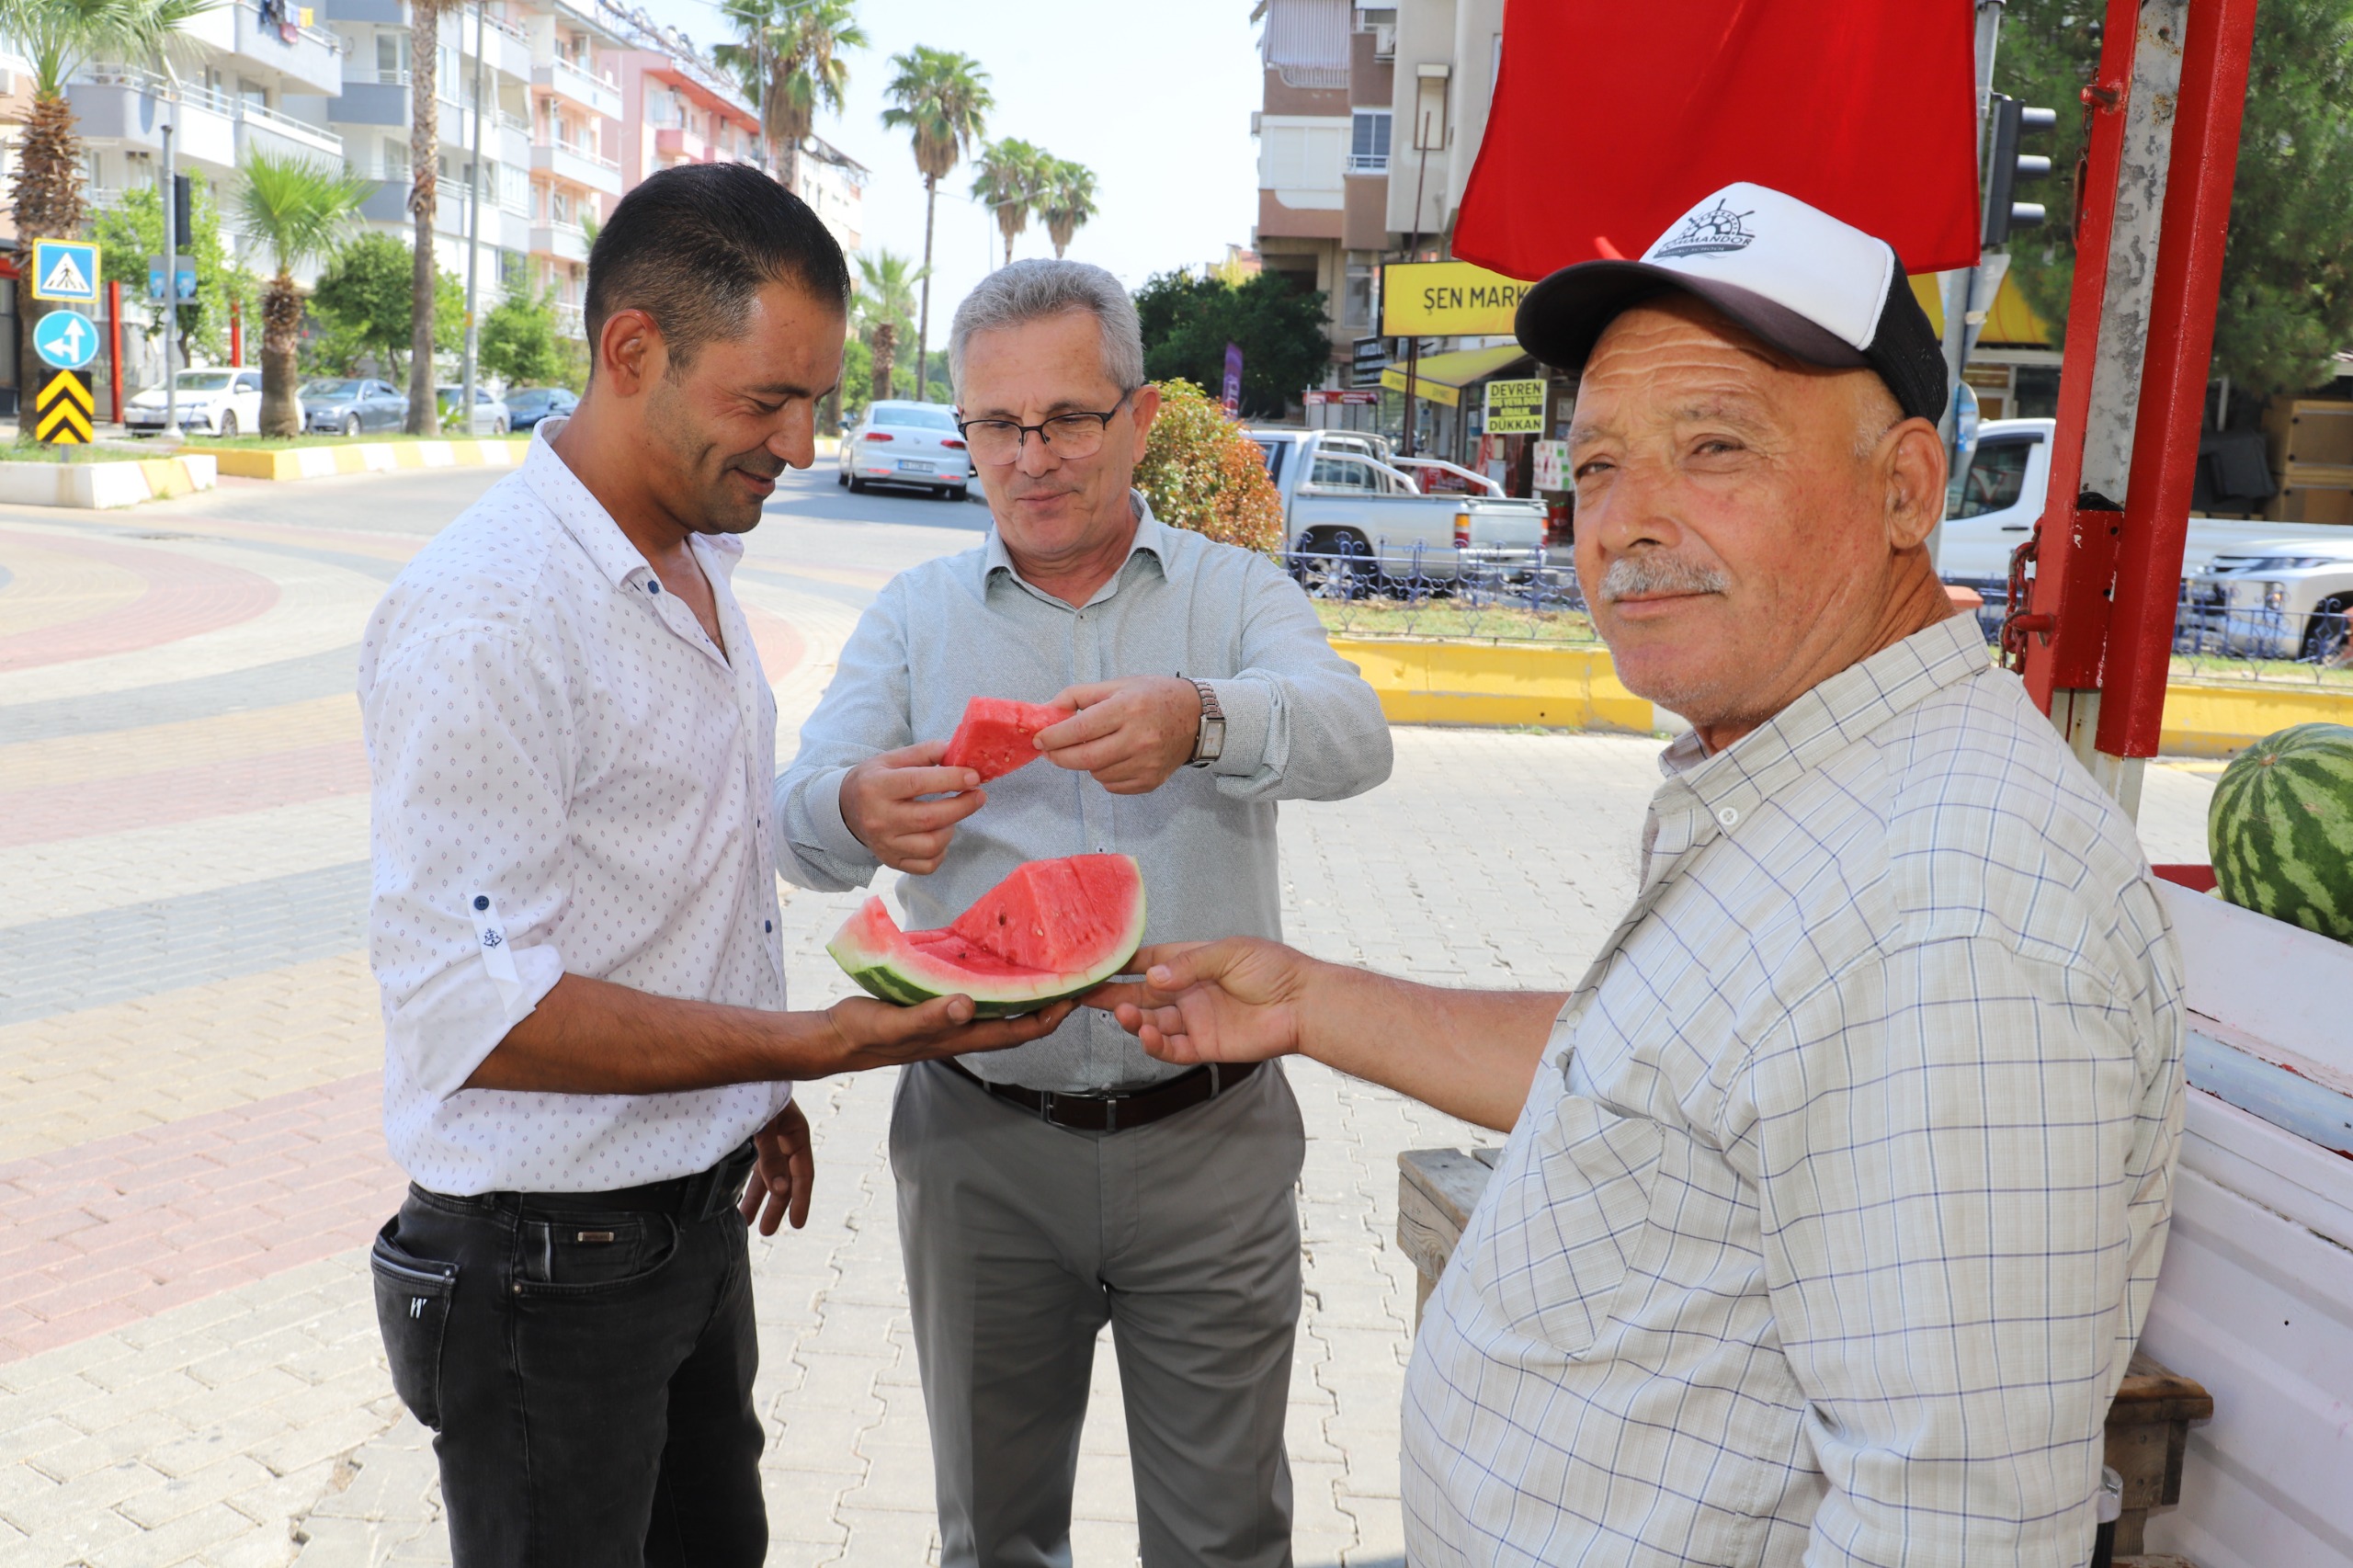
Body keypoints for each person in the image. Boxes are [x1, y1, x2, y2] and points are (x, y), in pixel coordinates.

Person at [1095, 185, 2186, 1566]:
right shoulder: (1826, 775)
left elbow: (1950, 1525)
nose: (1624, 523)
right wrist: (1309, 997)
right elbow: (1670, 1082)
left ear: (1906, 488)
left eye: (1715, 446)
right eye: (1598, 464)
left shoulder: (1954, 906)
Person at [358, 165, 1072, 1568]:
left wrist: (751, 1089)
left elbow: (672, 872)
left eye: (815, 400)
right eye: (768, 402)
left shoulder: (689, 552)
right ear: (634, 353)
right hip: (545, 1268)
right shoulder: (490, 613)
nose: (804, 445)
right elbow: (475, 1010)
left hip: (682, 1221)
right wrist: (812, 1041)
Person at [774, 258, 1392, 1567]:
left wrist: (1204, 718)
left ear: (1143, 419)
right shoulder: (914, 615)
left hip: (1209, 1145)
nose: (1032, 455)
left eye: (1068, 418)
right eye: (998, 424)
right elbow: (798, 828)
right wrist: (854, 811)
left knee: (1225, 1538)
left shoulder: (1230, 594)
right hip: (980, 1147)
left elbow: (1355, 735)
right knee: (993, 1542)